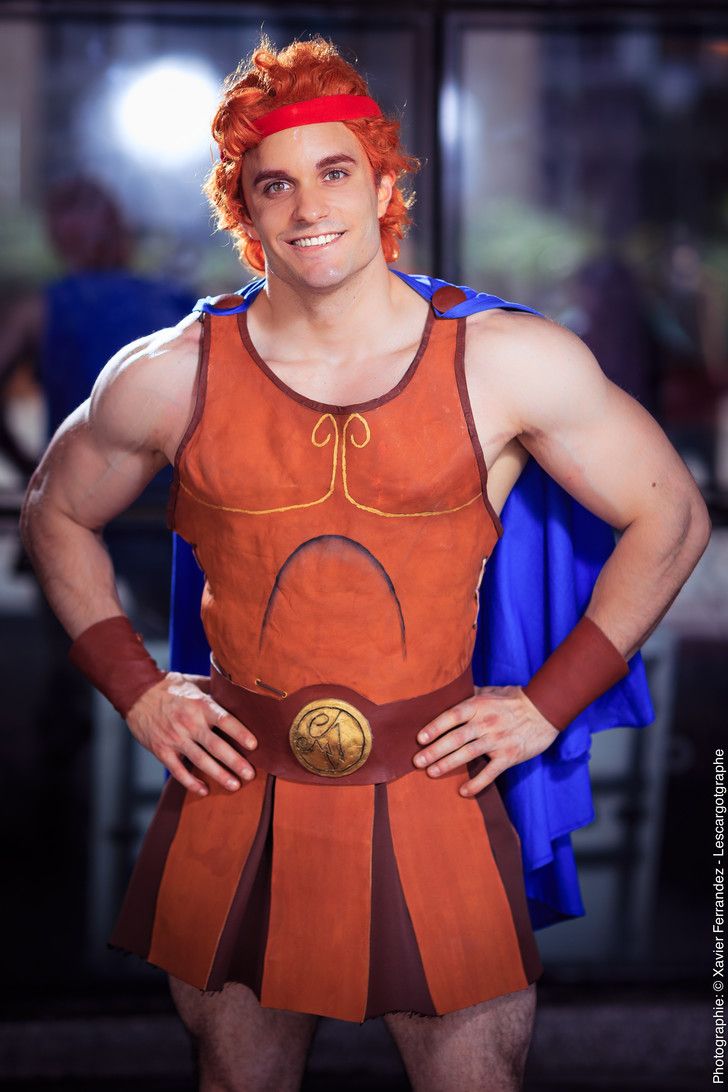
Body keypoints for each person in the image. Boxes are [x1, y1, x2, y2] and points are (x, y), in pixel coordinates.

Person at [20, 35, 710, 1092]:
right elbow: (52, 510)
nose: (307, 208)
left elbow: (667, 515)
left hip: (432, 781)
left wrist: (544, 703)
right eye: (274, 185)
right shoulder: (166, 377)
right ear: (241, 210)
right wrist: (138, 690)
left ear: (383, 183)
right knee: (236, 1078)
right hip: (236, 784)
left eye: (334, 172)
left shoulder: (507, 361)